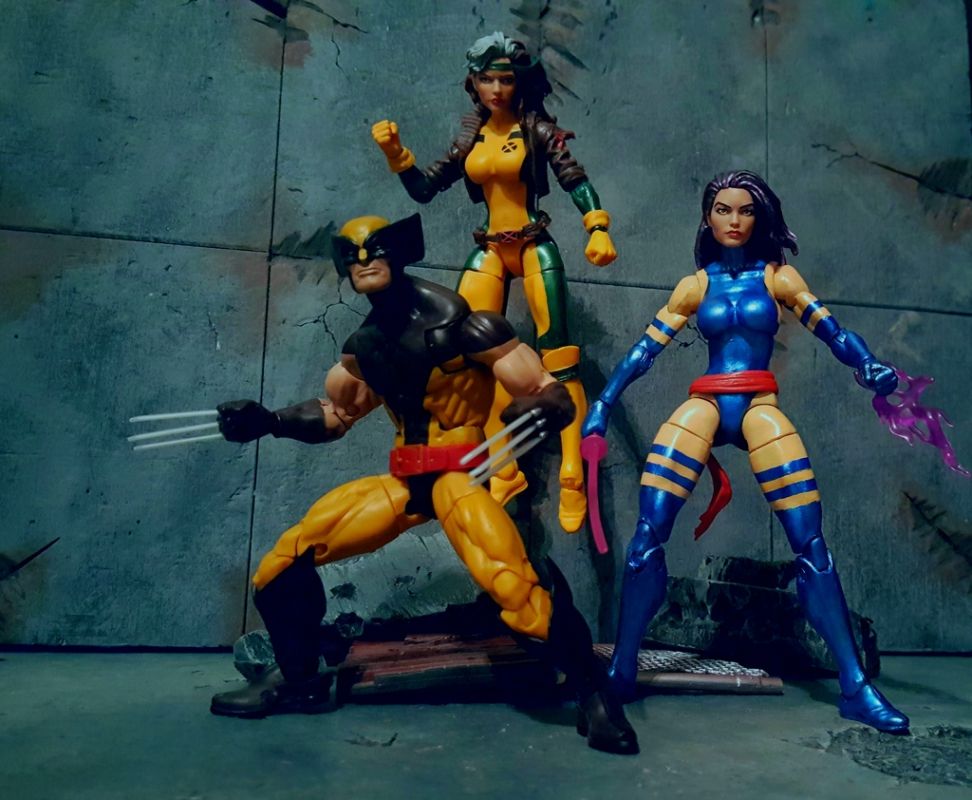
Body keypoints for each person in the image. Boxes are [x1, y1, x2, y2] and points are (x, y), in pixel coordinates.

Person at [209, 213, 638, 755]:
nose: (364, 262)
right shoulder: (364, 347)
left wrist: (543, 408)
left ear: (398, 252)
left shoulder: (464, 327)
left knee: (517, 590)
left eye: (373, 250)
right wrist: (269, 421)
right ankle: (300, 679)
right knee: (281, 566)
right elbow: (338, 415)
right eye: (353, 255)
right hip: (404, 479)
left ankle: (594, 695)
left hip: (457, 478)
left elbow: (545, 387)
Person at [581, 171, 909, 734]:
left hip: (757, 401)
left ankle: (855, 686)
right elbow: (644, 351)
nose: (734, 220)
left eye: (746, 210)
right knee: (647, 535)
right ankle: (623, 668)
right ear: (707, 218)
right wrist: (603, 403)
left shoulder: (778, 277)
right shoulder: (695, 286)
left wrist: (867, 364)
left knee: (811, 543)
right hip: (707, 401)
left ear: (760, 217)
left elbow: (833, 331)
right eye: (723, 210)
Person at [372, 31, 616, 532]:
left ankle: (571, 473)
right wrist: (397, 154)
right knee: (466, 355)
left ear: (519, 82)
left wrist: (597, 226)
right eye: (487, 79)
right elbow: (424, 189)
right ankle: (504, 469)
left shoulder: (537, 131)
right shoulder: (471, 138)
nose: (497, 89)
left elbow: (575, 179)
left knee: (558, 356)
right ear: (474, 84)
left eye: (506, 79)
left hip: (531, 243)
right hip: (489, 246)